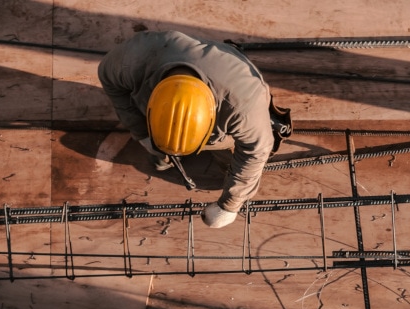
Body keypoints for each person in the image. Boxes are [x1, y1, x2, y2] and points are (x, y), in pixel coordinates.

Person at [98, 30, 289, 228]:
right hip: (159, 81)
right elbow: (111, 83)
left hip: (229, 89)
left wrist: (230, 205)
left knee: (233, 162)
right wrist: (143, 133)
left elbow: (256, 151)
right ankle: (162, 150)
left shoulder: (243, 106)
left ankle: (222, 161)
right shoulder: (132, 60)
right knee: (153, 139)